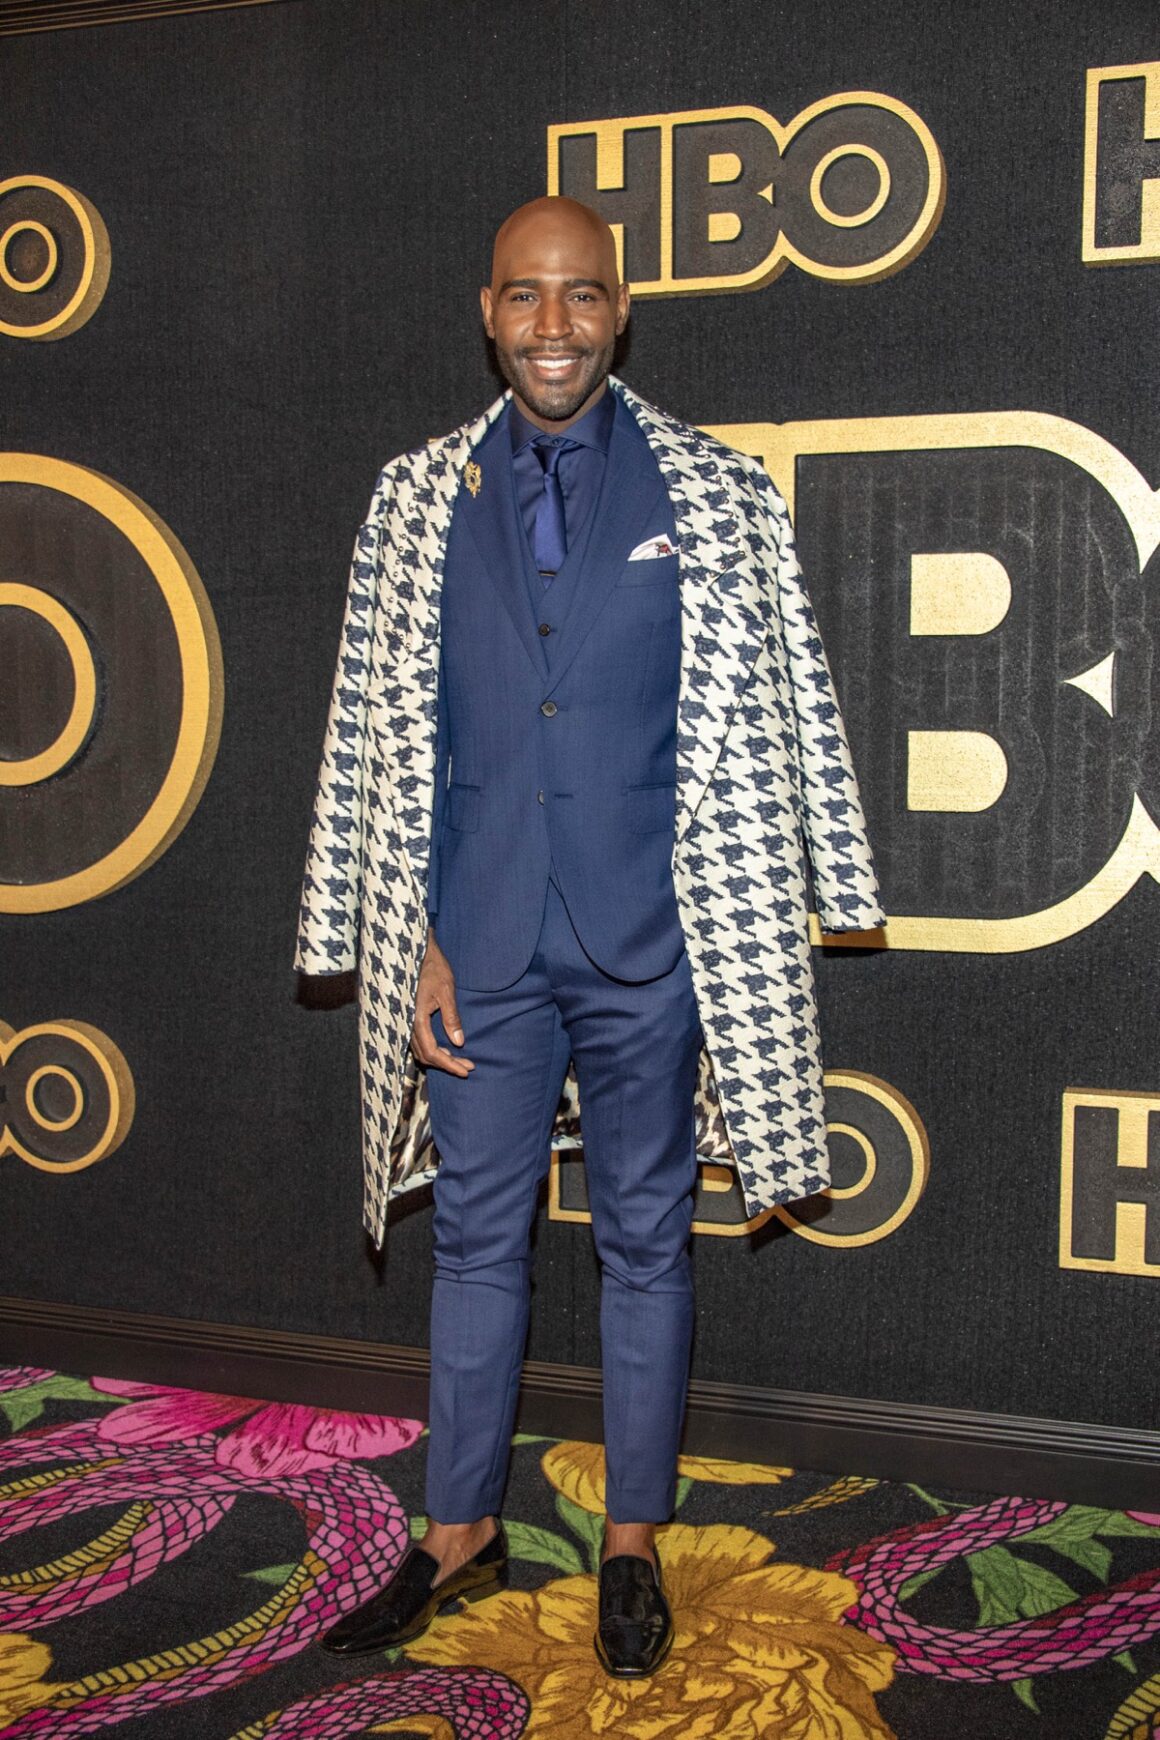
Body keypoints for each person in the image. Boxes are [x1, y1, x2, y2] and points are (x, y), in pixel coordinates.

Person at [295, 196, 883, 1677]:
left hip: (654, 947)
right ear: (485, 311)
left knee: (645, 1248)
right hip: (476, 949)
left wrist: (786, 898)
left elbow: (785, 710)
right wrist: (409, 934)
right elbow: (375, 740)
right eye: (525, 298)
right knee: (477, 1246)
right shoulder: (413, 496)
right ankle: (458, 1530)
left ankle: (631, 1544)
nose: (553, 325)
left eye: (583, 297)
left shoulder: (722, 492)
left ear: (621, 313)